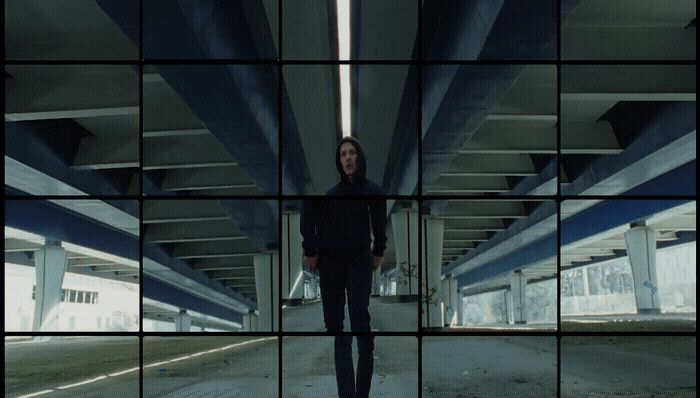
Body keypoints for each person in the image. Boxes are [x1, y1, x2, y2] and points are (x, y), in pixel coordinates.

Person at [301, 136, 387, 398]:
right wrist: (311, 250)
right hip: (331, 264)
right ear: (339, 162)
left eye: (351, 153)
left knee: (360, 314)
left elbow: (380, 227)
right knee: (335, 326)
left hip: (358, 259)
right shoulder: (331, 195)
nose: (348, 158)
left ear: (359, 157)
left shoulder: (373, 191)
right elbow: (308, 213)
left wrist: (378, 253)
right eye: (343, 155)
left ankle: (362, 393)